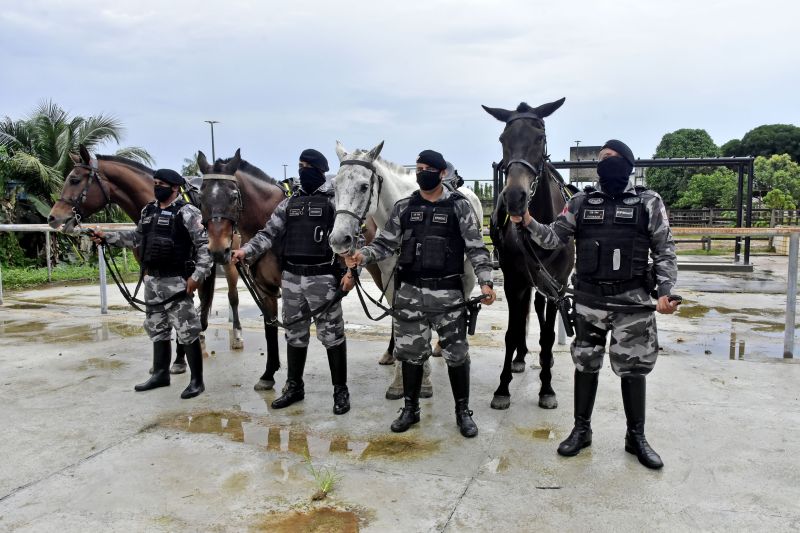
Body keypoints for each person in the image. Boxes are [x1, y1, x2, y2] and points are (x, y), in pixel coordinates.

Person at [511, 139, 679, 469]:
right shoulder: (580, 202)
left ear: (628, 164)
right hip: (589, 299)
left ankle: (636, 437)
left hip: (632, 302)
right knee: (585, 363)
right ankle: (581, 430)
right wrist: (528, 221)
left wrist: (665, 290)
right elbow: (553, 237)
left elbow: (664, 250)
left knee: (633, 368)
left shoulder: (648, 201)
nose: (606, 163)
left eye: (613, 158)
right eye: (602, 159)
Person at [346, 149, 496, 438]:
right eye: (418, 168)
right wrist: (362, 256)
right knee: (410, 354)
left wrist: (486, 282)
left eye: (427, 168)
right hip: (410, 294)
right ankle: (410, 409)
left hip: (448, 295)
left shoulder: (459, 207)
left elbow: (476, 248)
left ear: (441, 173)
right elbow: (385, 244)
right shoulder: (404, 208)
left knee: (456, 355)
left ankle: (463, 412)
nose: (420, 172)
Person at [231, 149, 354, 415]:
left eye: (307, 166)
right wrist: (246, 251)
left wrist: (350, 272)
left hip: (323, 277)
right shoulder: (290, 202)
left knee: (332, 336)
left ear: (320, 169)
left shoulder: (334, 200)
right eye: (299, 165)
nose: (302, 170)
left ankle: (340, 391)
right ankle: (294, 386)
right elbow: (269, 233)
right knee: (294, 335)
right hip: (292, 279)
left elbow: (352, 238)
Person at [91, 168, 213, 399]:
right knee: (157, 328)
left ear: (175, 187)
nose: (157, 186)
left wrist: (197, 276)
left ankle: (197, 381)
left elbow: (204, 247)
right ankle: (160, 374)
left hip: (177, 281)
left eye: (161, 183)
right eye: (155, 182)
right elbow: (136, 238)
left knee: (187, 331)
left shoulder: (188, 212)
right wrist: (107, 237)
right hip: (153, 280)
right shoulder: (148, 210)